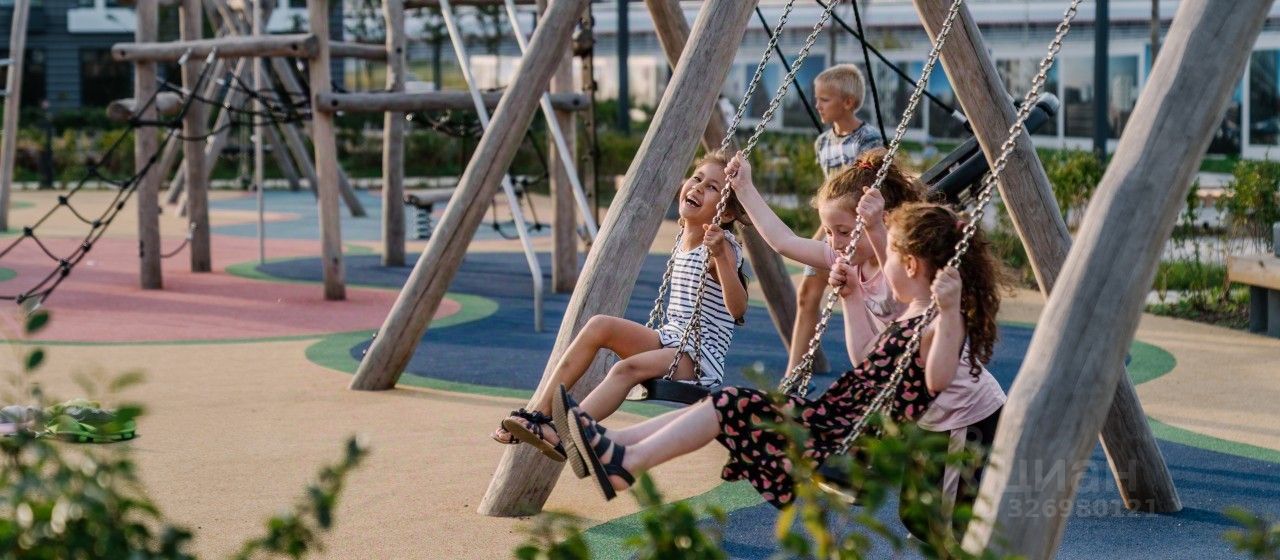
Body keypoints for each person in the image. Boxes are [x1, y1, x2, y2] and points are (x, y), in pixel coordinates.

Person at [553, 201, 1004, 540]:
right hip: (836, 420)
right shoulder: (911, 315)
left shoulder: (940, 320)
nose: (880, 266)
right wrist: (851, 298)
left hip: (921, 430)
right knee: (727, 403)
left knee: (942, 530)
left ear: (910, 265)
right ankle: (618, 449)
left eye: (889, 257)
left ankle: (624, 461)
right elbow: (867, 356)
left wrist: (950, 314)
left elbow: (937, 379)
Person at [492, 151, 749, 470]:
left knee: (624, 370)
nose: (698, 187)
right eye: (697, 178)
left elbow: (737, 308)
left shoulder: (723, 246)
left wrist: (721, 256)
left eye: (712, 187)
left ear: (726, 213)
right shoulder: (684, 235)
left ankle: (567, 432)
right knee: (599, 326)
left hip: (699, 356)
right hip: (671, 338)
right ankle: (538, 414)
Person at [792, 63, 887, 374]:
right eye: (817, 99)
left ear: (848, 102)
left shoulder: (867, 139)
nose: (818, 105)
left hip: (859, 229)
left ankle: (872, 364)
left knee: (866, 299)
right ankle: (793, 373)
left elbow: (870, 187)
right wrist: (822, 233)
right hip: (832, 228)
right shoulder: (823, 143)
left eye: (825, 99)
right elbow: (829, 198)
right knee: (807, 293)